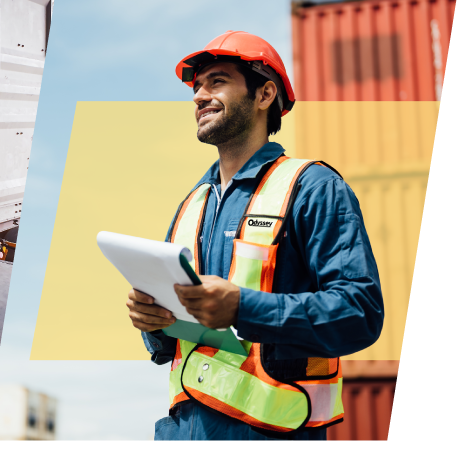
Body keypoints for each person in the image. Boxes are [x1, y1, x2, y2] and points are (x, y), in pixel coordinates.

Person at [126, 31, 384, 441]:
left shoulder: (313, 187)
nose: (199, 96)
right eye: (197, 87)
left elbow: (360, 313)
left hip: (274, 431)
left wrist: (242, 308)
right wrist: (152, 323)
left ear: (265, 95)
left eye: (217, 81)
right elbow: (179, 337)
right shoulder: (191, 206)